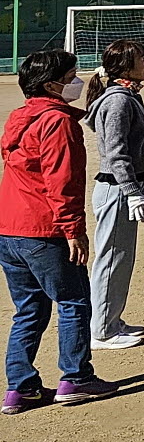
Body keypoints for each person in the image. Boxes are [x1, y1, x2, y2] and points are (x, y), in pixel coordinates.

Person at [1, 50, 117, 412]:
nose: (76, 82)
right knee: (74, 301)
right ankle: (76, 377)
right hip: (44, 228)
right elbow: (61, 180)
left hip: (10, 228)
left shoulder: (19, 117)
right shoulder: (56, 122)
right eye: (71, 76)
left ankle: (20, 387)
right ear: (52, 84)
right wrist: (73, 230)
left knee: (29, 308)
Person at [83, 41, 144, 349]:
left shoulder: (127, 97)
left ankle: (111, 317)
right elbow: (116, 152)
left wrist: (141, 187)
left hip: (123, 187)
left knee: (121, 258)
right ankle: (102, 330)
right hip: (116, 189)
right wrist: (131, 190)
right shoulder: (118, 101)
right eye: (142, 59)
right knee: (112, 259)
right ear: (126, 68)